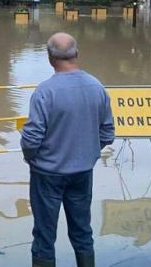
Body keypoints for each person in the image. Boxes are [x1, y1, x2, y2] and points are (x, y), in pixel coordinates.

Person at [21, 32, 115, 267]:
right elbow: (108, 133)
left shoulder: (45, 92)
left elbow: (31, 139)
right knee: (83, 232)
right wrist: (88, 153)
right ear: (77, 54)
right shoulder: (97, 87)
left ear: (50, 58)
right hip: (83, 173)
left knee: (44, 236)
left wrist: (33, 159)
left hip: (47, 174)